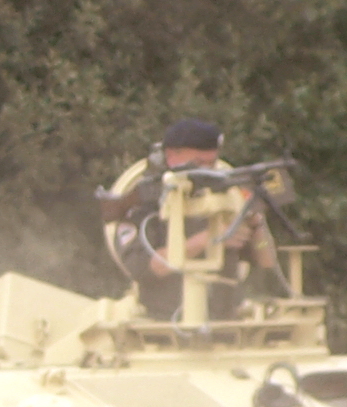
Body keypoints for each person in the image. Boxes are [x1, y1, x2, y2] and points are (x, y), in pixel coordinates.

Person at [98, 115, 276, 308]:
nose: (207, 170)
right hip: (163, 323)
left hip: (225, 319)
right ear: (172, 156)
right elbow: (146, 268)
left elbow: (266, 261)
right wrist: (209, 239)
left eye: (212, 163)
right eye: (198, 163)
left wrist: (257, 226)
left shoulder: (224, 198)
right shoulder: (143, 203)